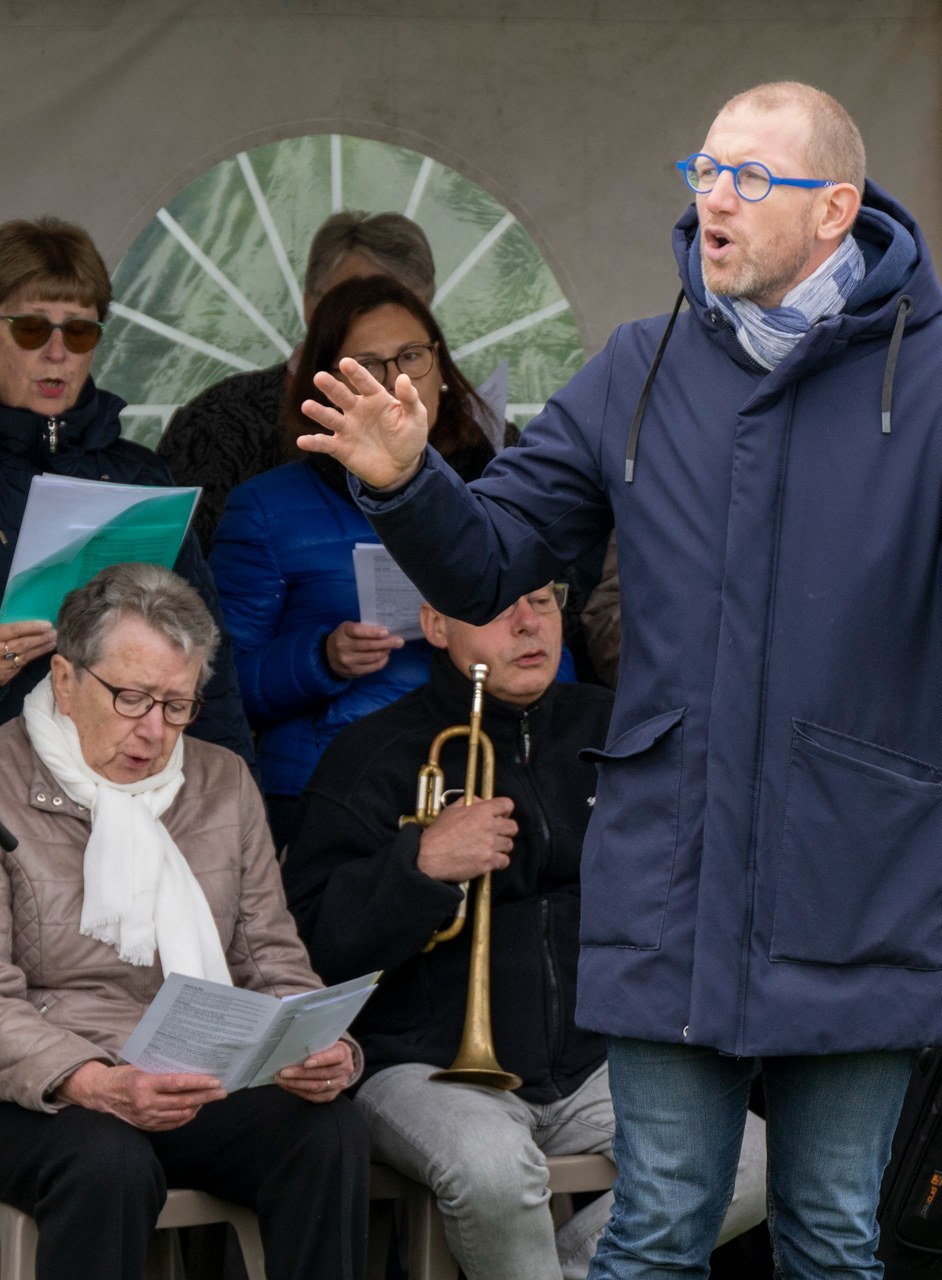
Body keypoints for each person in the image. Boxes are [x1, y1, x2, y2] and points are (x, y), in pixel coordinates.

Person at [295, 81, 942, 1278]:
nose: (714, 198)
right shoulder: (637, 365)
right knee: (659, 1220)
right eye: (703, 170)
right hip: (674, 869)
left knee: (831, 1231)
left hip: (855, 870)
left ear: (837, 211)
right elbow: (498, 552)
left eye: (751, 178)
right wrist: (409, 483)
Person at [284, 583, 767, 1280]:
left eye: (542, 602)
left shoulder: (619, 732)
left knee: (746, 1159)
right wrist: (418, 866)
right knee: (491, 1172)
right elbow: (312, 949)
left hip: (598, 1056)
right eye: (493, 605)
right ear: (435, 625)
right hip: (421, 1060)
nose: (527, 623)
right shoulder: (369, 755)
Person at [0, 562, 365, 1280]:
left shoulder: (220, 778)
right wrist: (94, 1081)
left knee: (327, 1132)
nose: (154, 730)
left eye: (177, 705)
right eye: (132, 698)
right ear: (67, 681)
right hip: (40, 1082)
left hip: (188, 1075)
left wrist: (319, 1046)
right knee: (108, 1160)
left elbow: (270, 962)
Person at [211, 274, 501, 846]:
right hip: (325, 790)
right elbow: (219, 684)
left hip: (472, 779)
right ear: (325, 387)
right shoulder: (265, 507)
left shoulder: (498, 489)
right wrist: (322, 657)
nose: (397, 383)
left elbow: (555, 655)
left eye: (413, 357)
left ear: (441, 369)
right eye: (367, 365)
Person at [0, 216, 253, 761]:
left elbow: (206, 649)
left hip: (131, 777)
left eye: (80, 330)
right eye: (31, 329)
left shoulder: (140, 475)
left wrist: (237, 790)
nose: (56, 352)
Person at [158, 210, 437, 551]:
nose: (379, 321)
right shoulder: (217, 423)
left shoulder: (472, 430)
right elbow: (186, 570)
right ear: (310, 307)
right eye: (354, 300)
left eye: (401, 305)